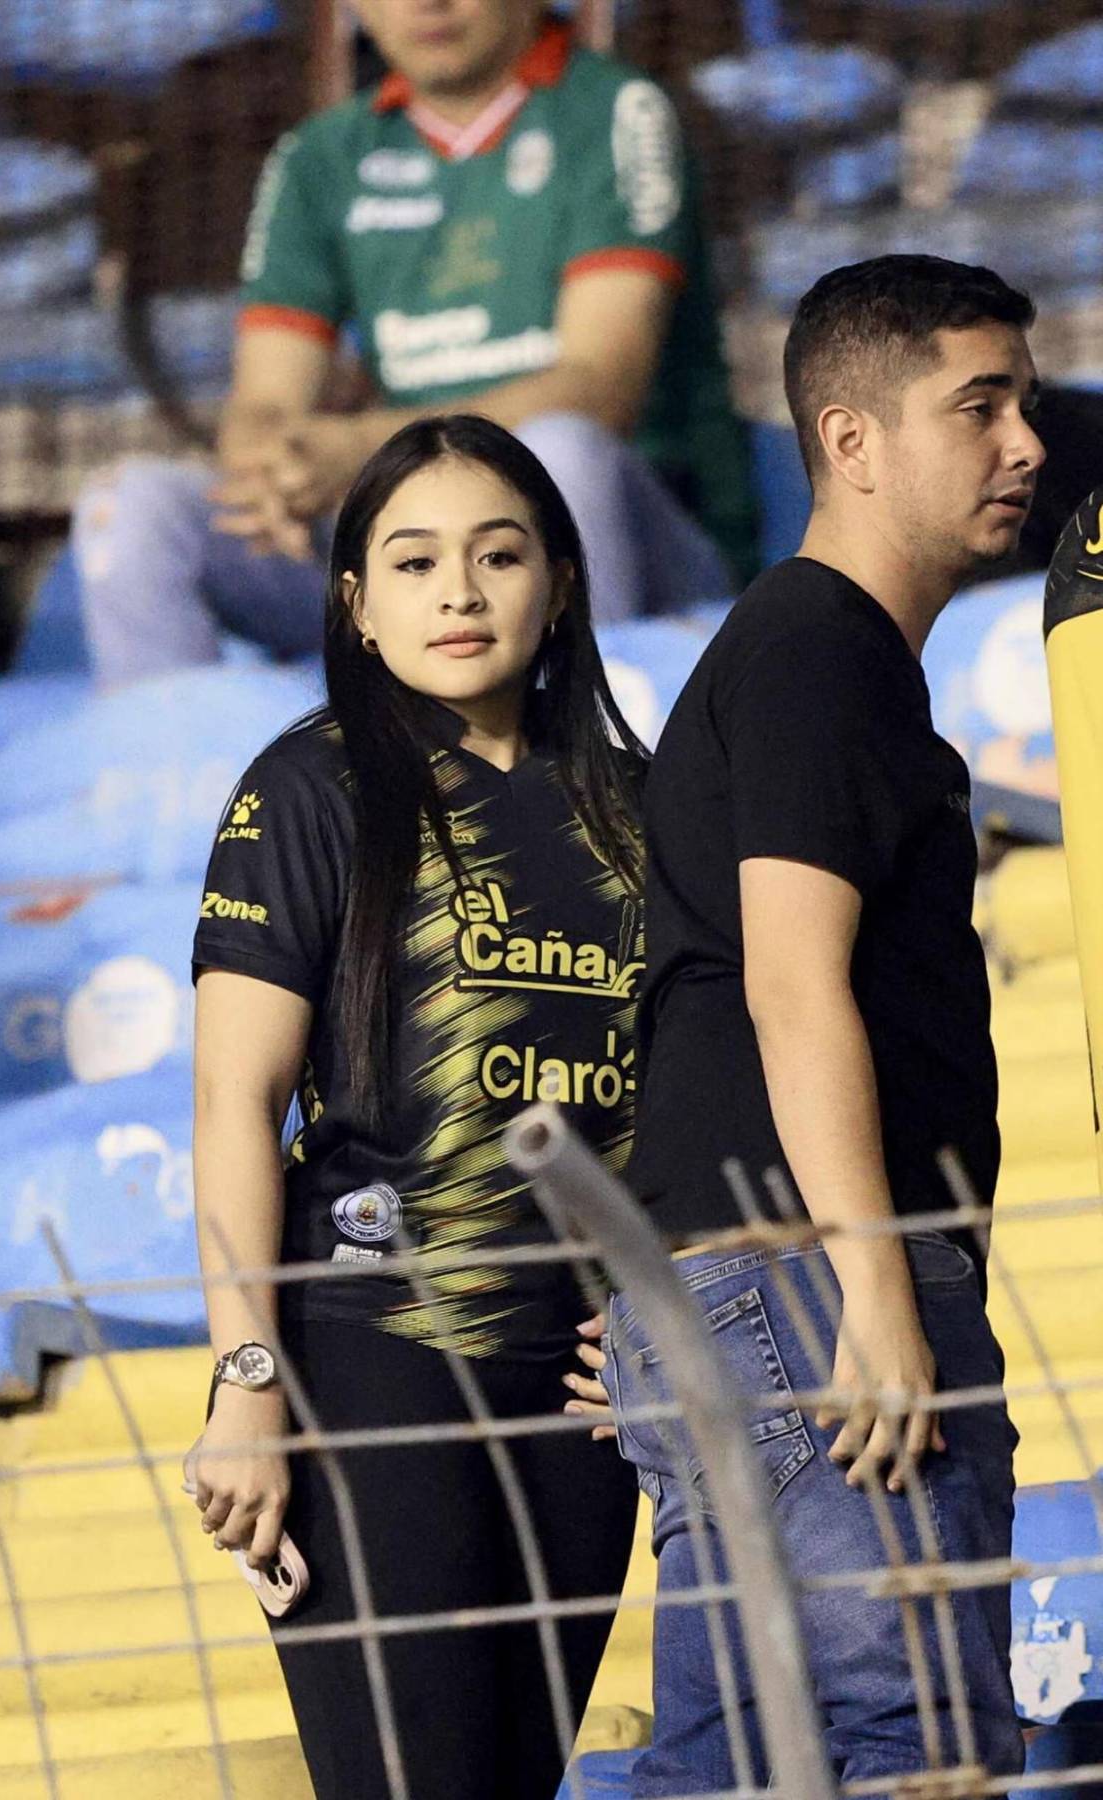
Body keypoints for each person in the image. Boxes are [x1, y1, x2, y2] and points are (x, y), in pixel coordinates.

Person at [600, 254, 1044, 1792]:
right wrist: (869, 1285)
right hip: (810, 1278)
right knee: (908, 1742)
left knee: (729, 1769)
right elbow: (794, 981)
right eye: (976, 408)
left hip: (735, 1286)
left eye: (1029, 405)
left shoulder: (811, 653)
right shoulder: (816, 652)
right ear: (848, 441)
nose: (1026, 446)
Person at [189, 414, 647, 1800]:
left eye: (499, 554)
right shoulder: (308, 789)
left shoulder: (649, 806)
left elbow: (694, 1100)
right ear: (357, 603)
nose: (459, 592)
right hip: (377, 1359)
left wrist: (653, 1326)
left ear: (559, 581)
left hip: (583, 1389)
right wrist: (249, 1383)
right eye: (416, 560)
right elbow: (234, 1099)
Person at [72, 0, 758, 687]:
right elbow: (262, 406)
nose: (428, 3)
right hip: (402, 550)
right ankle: (173, 788)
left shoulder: (617, 111)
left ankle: (575, 774)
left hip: (643, 549)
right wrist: (274, 473)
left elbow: (599, 388)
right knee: (131, 511)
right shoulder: (319, 156)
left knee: (556, 456)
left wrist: (356, 450)